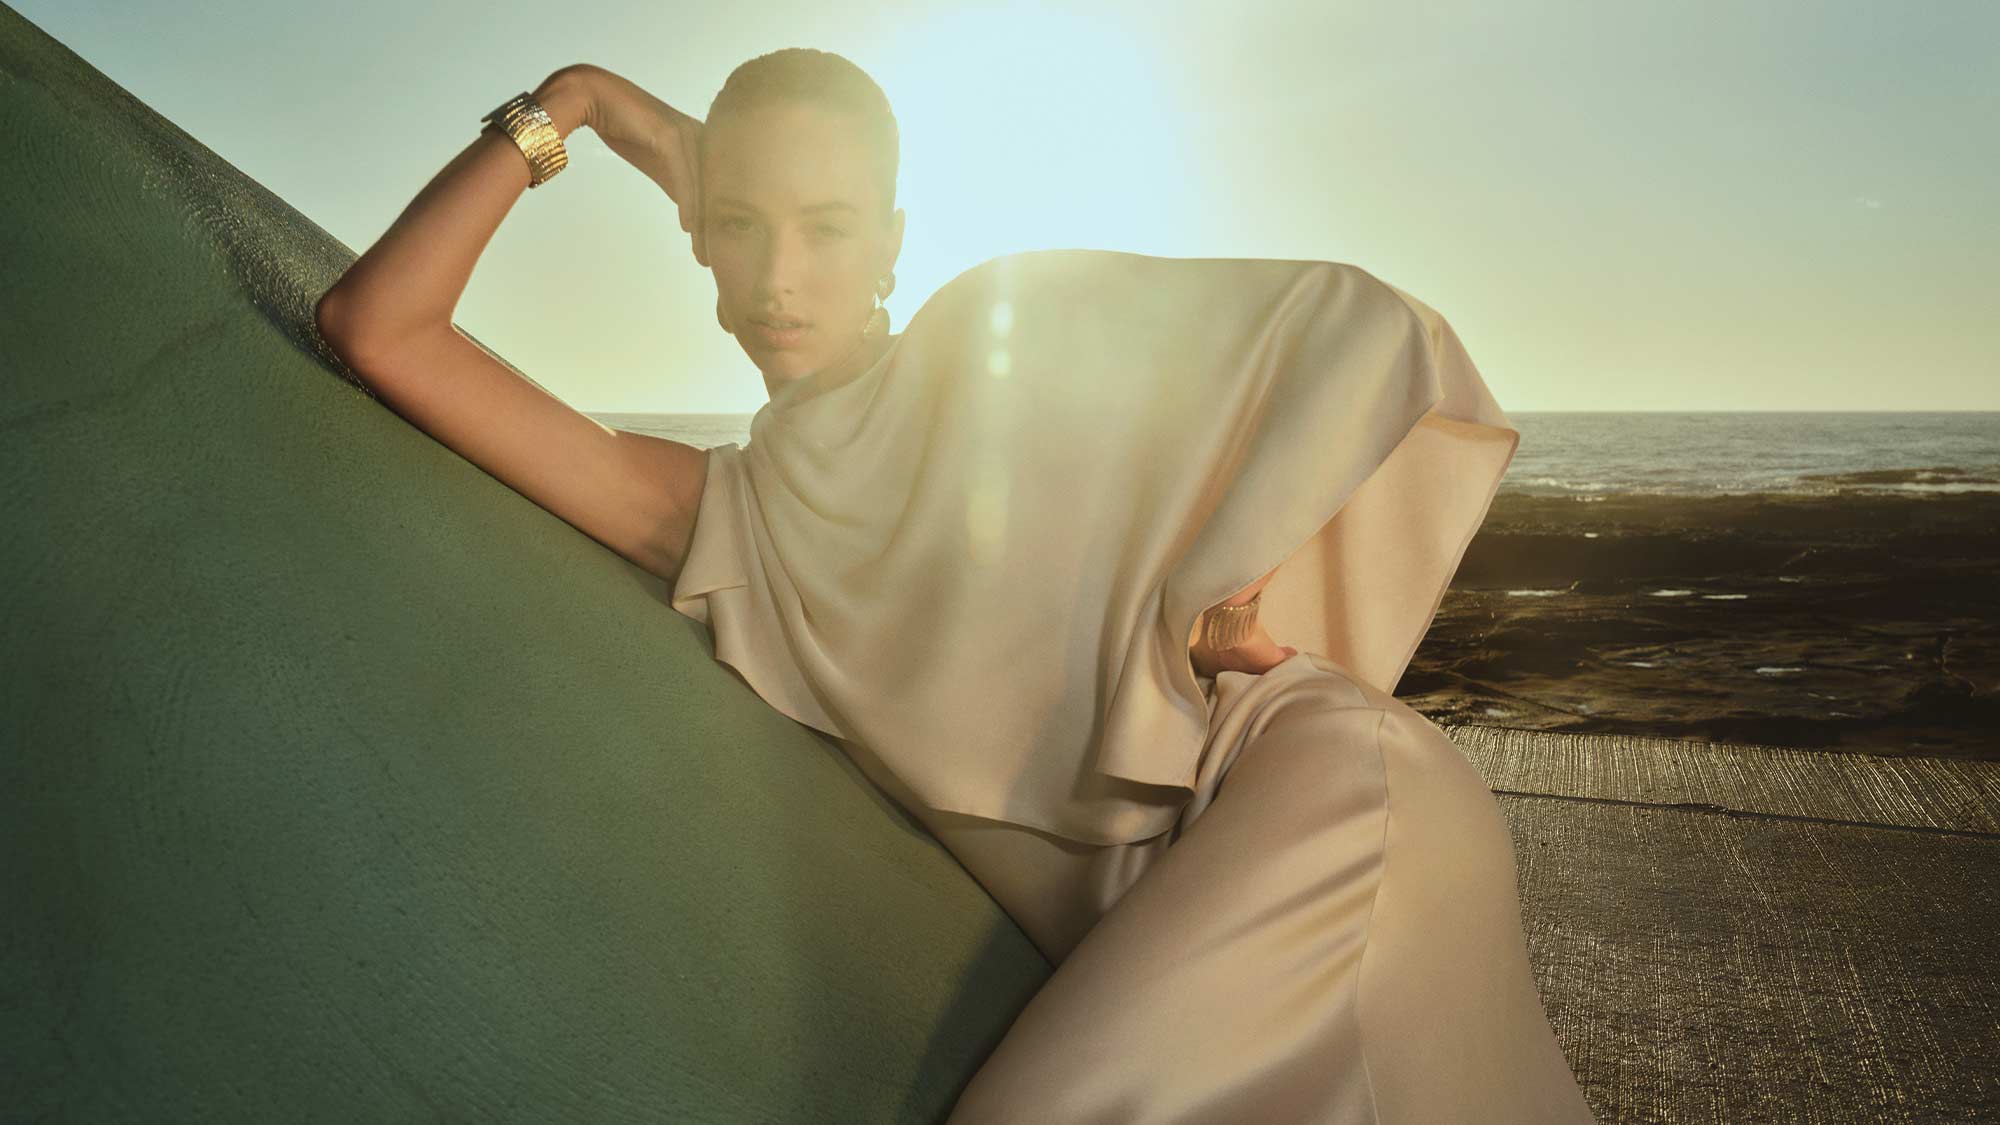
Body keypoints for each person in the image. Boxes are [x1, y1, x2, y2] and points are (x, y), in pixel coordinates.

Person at [316, 48, 1597, 1124]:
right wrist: (583, 106)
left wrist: (1225, 569)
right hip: (1169, 910)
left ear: (891, 242)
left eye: (825, 228)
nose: (777, 278)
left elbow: (1353, 327)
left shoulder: (998, 338)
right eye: (743, 226)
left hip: (1308, 793)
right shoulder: (715, 520)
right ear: (696, 235)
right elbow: (382, 328)